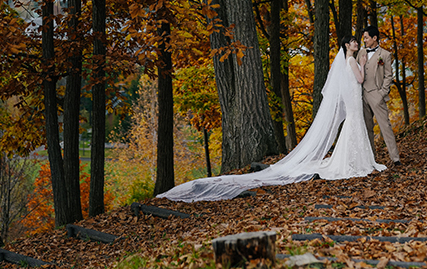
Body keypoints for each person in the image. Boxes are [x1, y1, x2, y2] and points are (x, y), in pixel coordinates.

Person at [156, 39, 386, 202]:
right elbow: (360, 79)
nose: (357, 43)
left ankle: (354, 160)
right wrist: (364, 64)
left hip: (352, 100)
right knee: (354, 128)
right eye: (354, 41)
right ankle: (355, 161)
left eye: (358, 41)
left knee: (352, 129)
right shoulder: (353, 61)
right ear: (347, 45)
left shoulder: (345, 61)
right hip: (355, 100)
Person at [360, 25, 401, 167]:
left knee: (385, 126)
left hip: (376, 94)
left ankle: (395, 158)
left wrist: (381, 93)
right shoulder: (361, 53)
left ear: (374, 38)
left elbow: (388, 76)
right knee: (367, 127)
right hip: (362, 95)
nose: (364, 40)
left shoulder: (385, 55)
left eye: (366, 37)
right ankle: (371, 158)